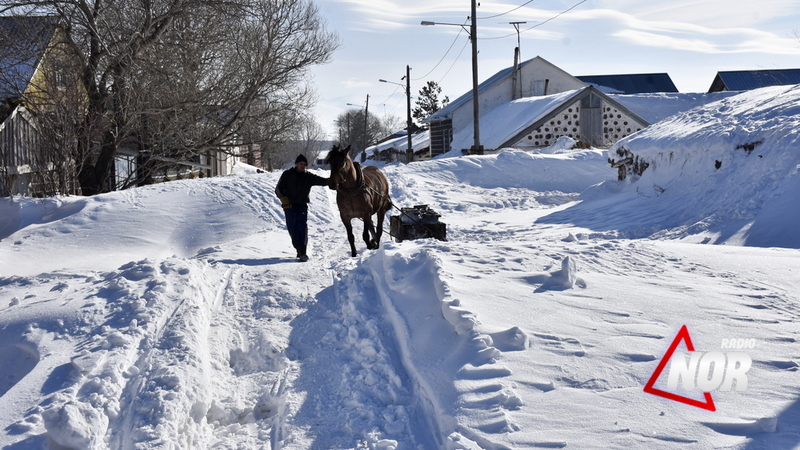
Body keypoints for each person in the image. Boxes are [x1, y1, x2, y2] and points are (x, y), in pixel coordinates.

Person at [275, 154, 329, 262]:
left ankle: (303, 251)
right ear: (296, 164)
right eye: (301, 164)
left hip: (302, 206)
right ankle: (298, 249)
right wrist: (284, 200)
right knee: (292, 228)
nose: (302, 166)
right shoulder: (287, 174)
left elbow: (323, 181)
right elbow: (278, 189)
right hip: (289, 206)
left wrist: (335, 179)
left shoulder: (308, 176)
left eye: (304, 164)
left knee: (302, 227)